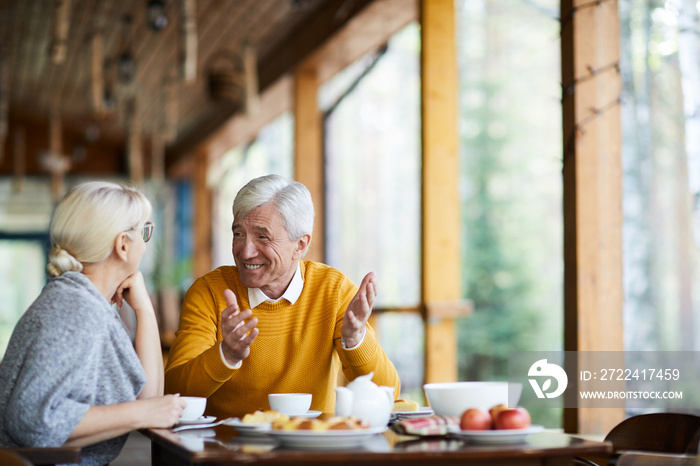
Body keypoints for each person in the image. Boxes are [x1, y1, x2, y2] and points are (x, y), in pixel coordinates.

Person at [165, 174, 400, 418]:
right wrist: (227, 354)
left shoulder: (334, 290)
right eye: (238, 234)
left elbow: (388, 392)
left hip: (311, 448)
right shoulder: (209, 292)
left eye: (262, 236)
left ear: (300, 245)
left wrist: (356, 340)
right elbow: (175, 392)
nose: (245, 251)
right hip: (229, 450)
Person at [0, 181, 186, 466]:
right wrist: (141, 413)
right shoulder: (74, 309)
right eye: (144, 232)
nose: (146, 245)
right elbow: (33, 421)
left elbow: (149, 398)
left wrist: (145, 311)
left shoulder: (87, 302)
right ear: (123, 245)